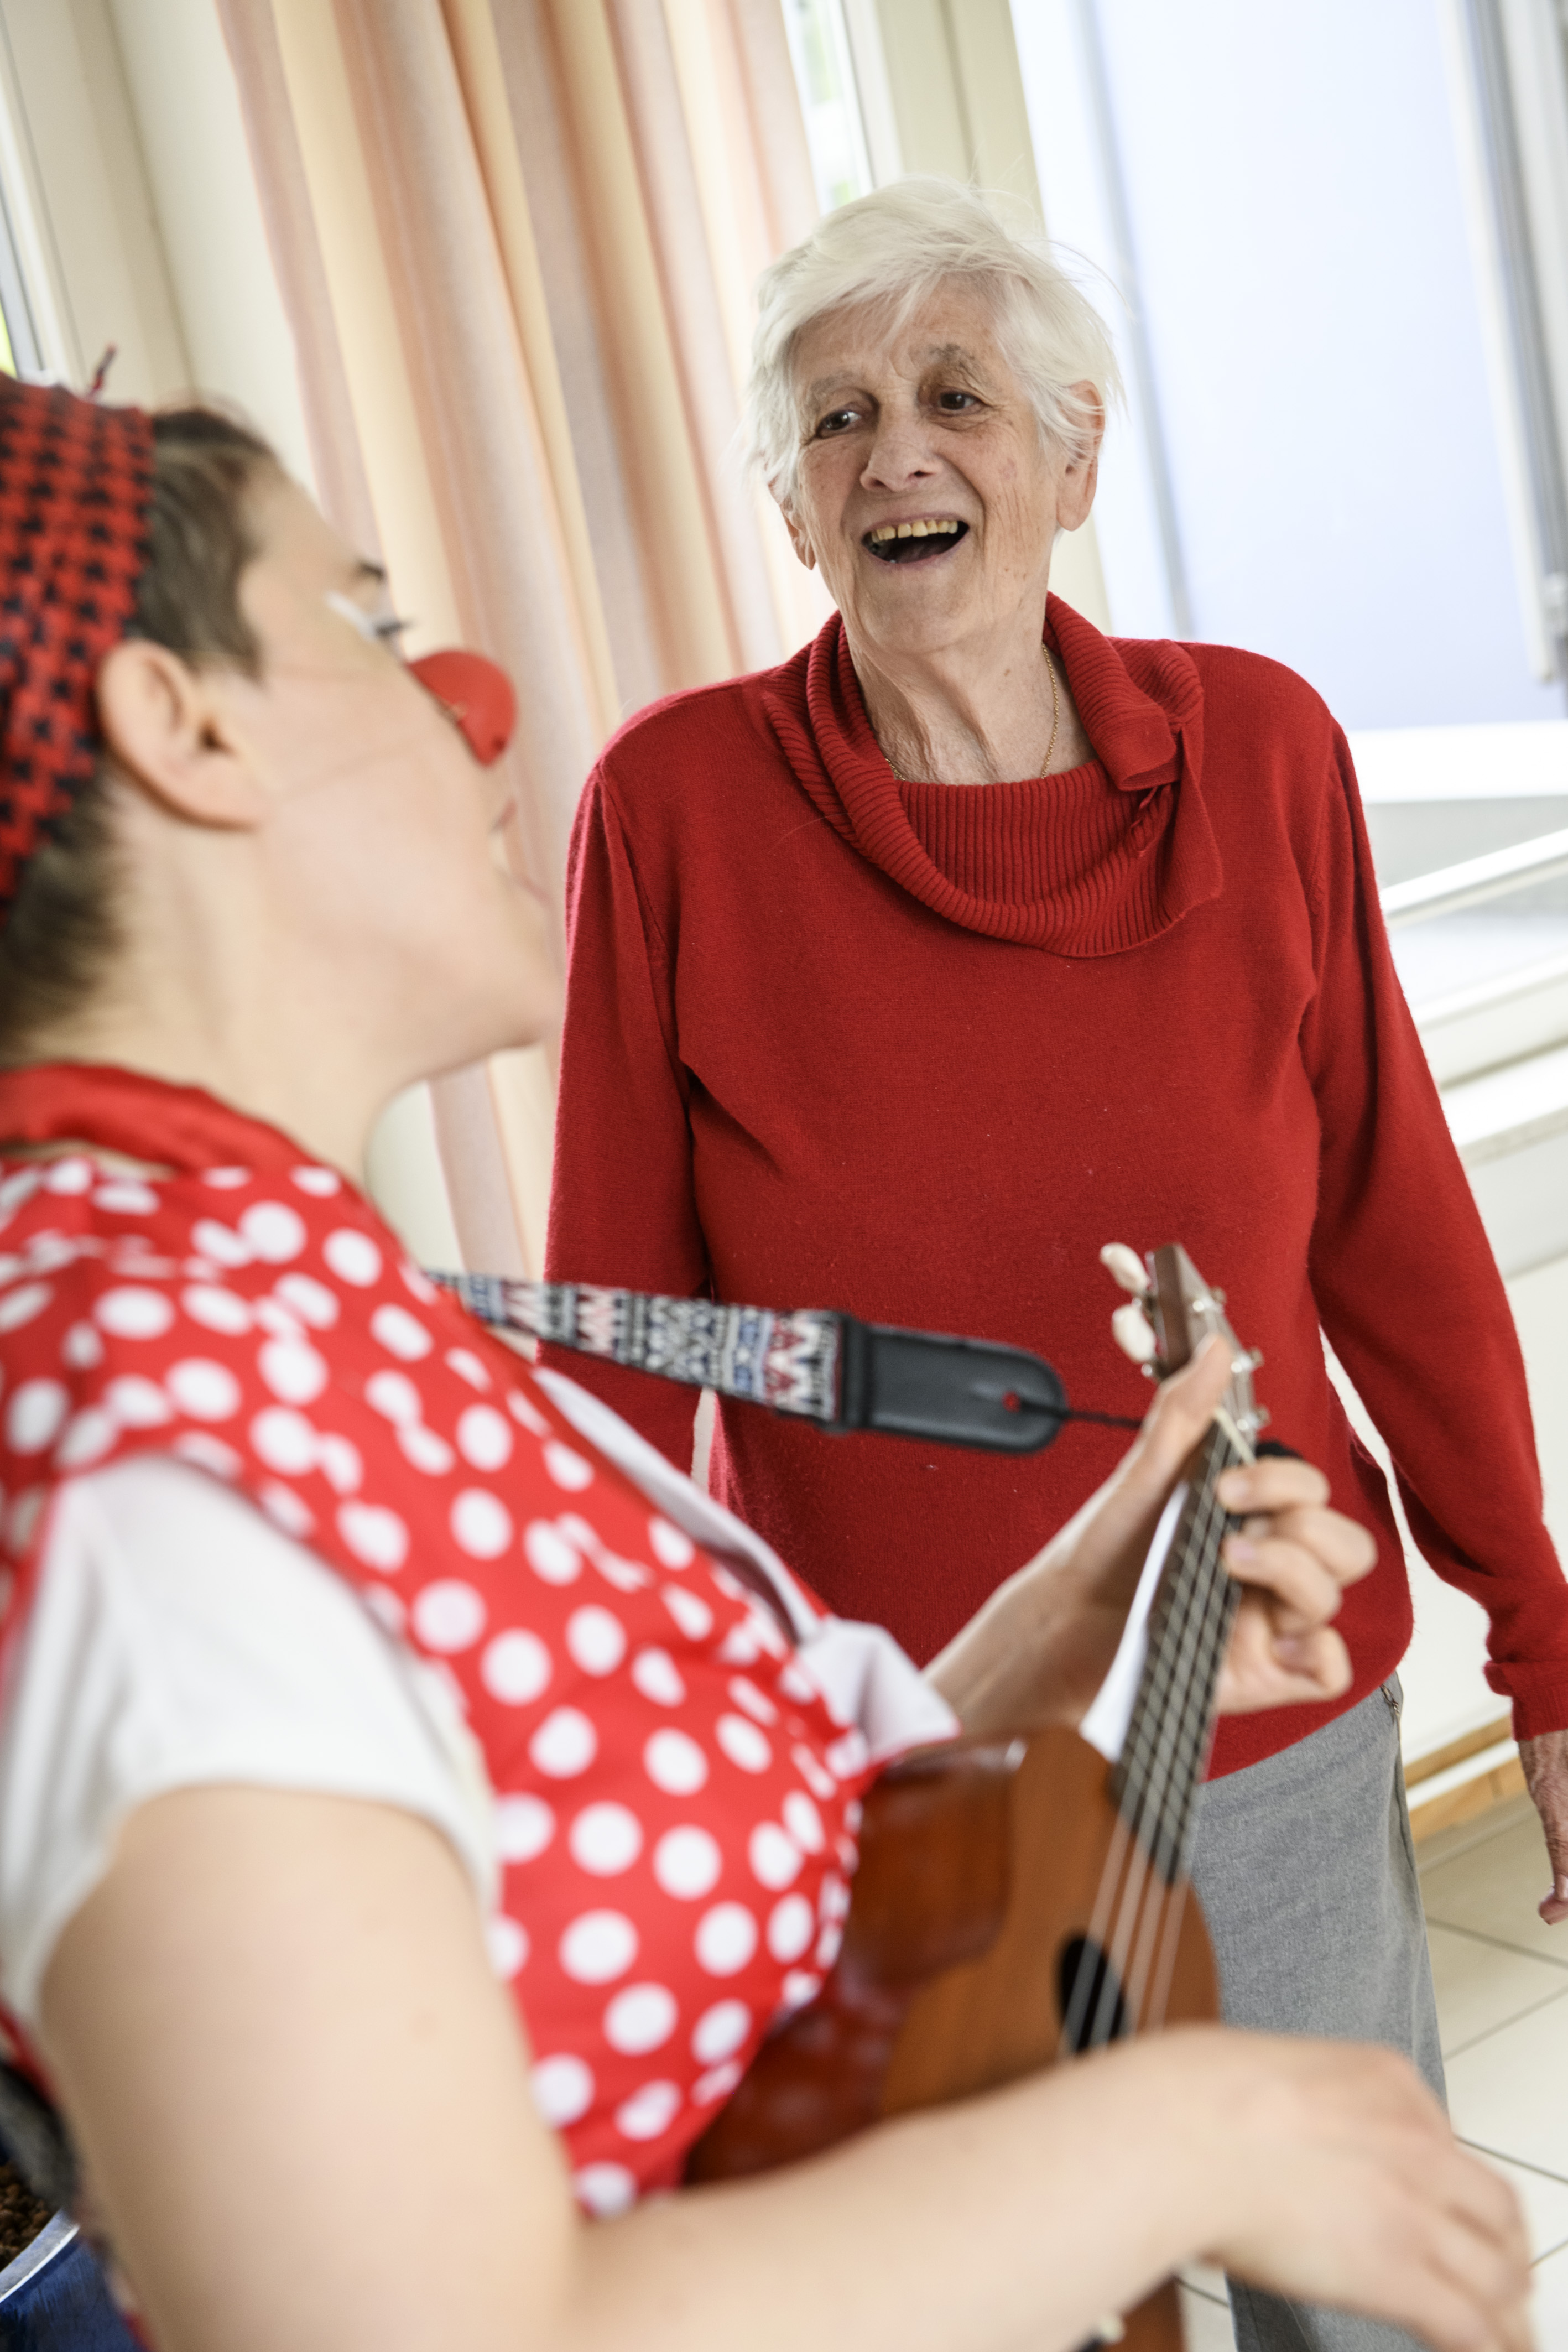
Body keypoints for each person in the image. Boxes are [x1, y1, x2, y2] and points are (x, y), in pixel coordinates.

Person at [0, 378, 1531, 2352]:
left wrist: (1104, 1603)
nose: (477, 698)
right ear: (184, 727)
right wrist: (1182, 2135)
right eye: (368, 629)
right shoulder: (154, 1439)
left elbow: (682, 1852)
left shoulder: (286, 1299)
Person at [543, 179, 1568, 2352]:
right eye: (832, 422)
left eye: (953, 398)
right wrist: (628, 1788)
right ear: (785, 510)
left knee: (1356, 2294)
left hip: (1272, 1699)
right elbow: (617, 1354)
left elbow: (1396, 1228)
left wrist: (1537, 1637)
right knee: (988, 2311)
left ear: (1073, 460)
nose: (893, 451)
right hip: (914, 1755)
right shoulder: (673, 813)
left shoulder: (1261, 753)